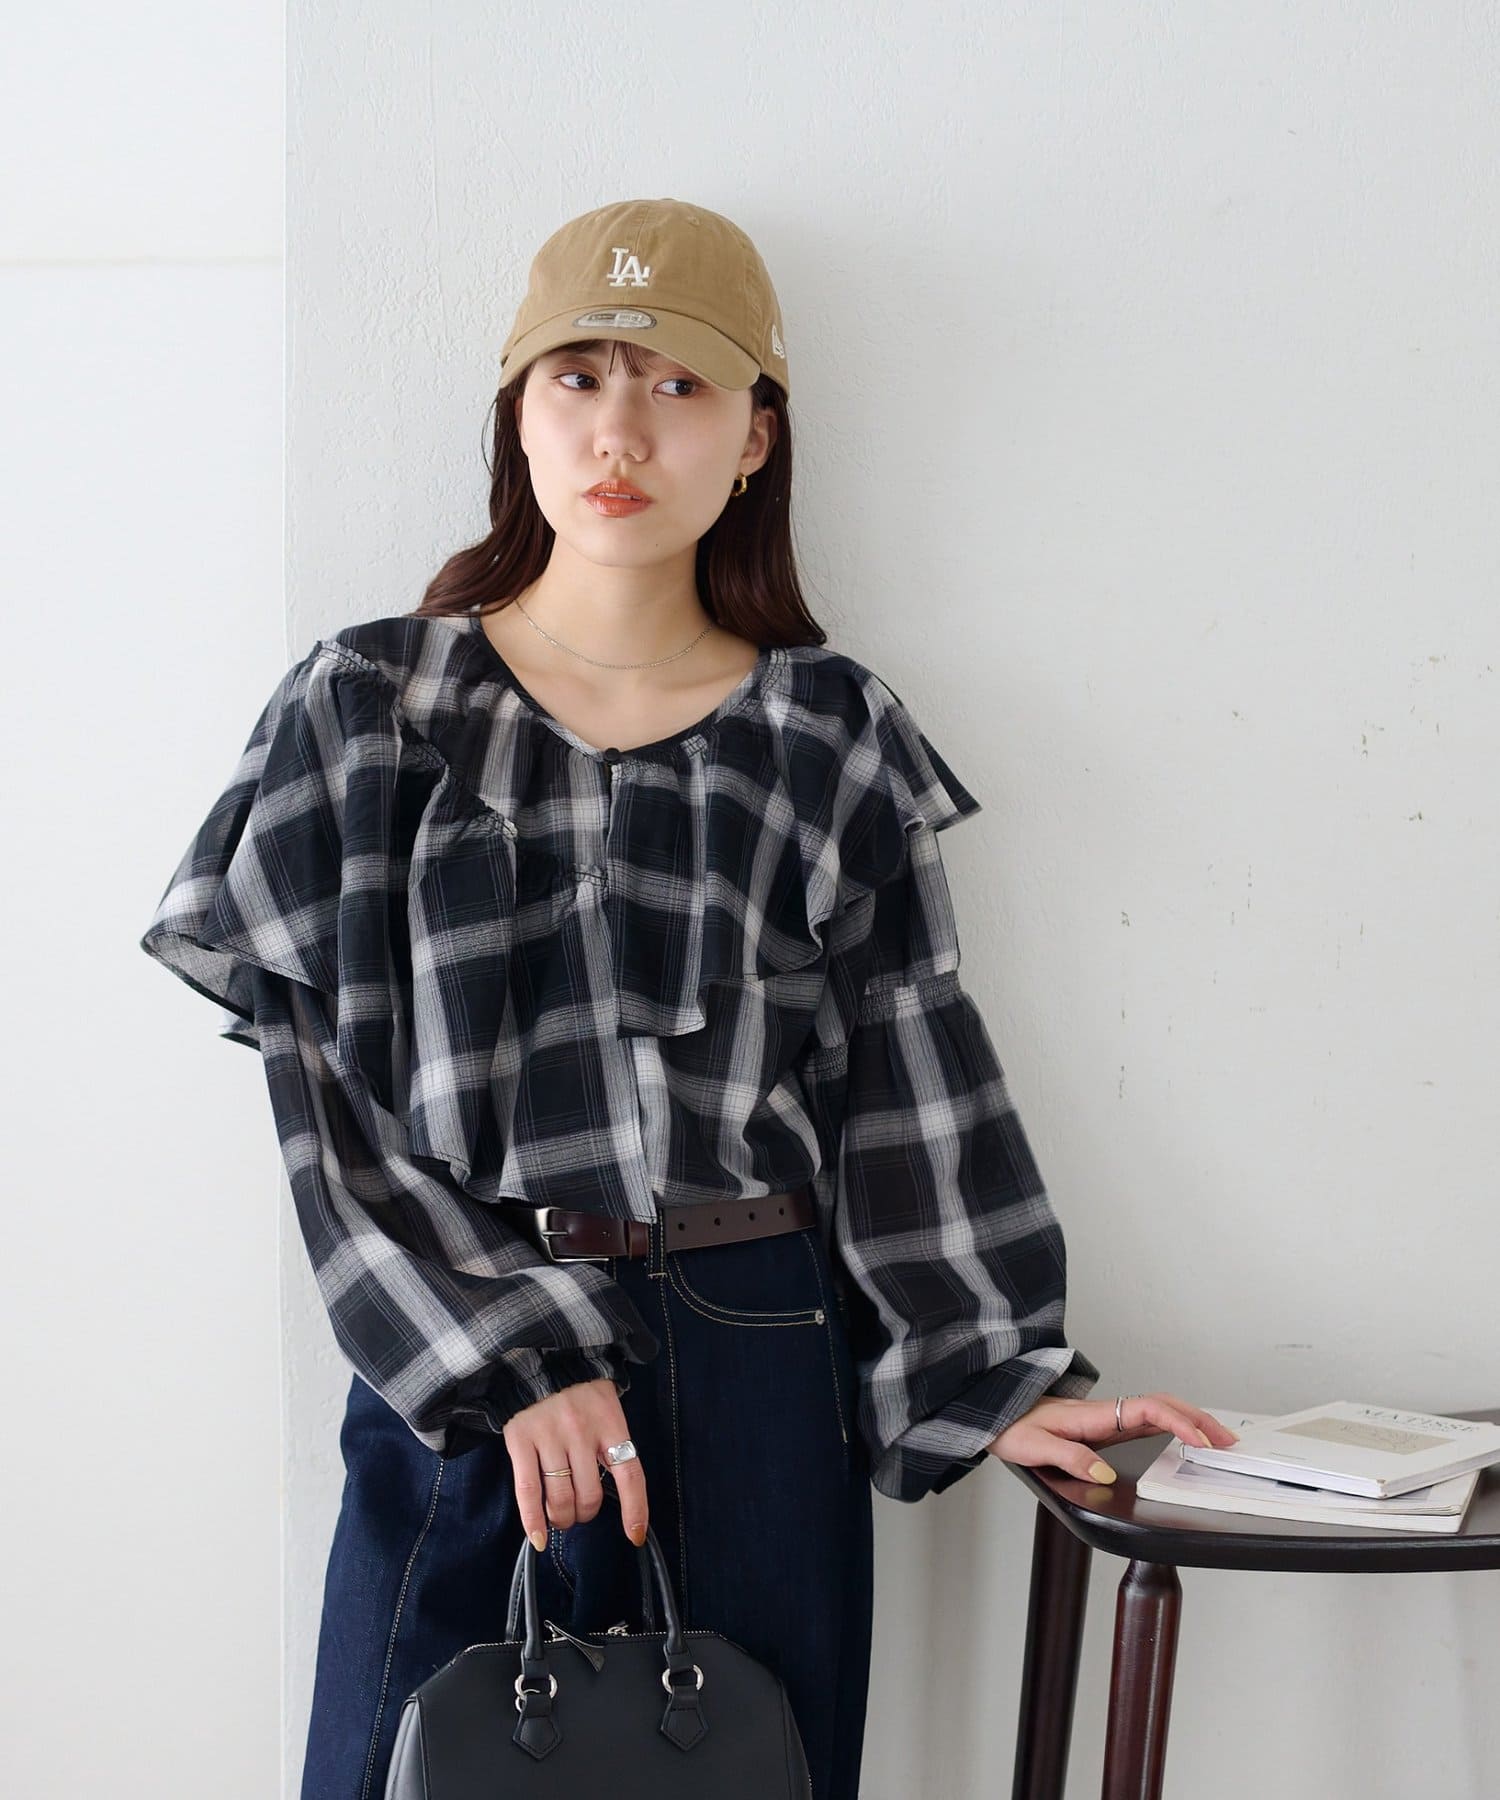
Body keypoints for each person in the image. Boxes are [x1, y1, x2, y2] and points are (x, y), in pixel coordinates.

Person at [139, 196, 1237, 1800]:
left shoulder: (826, 730)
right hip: (467, 1367)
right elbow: (330, 1106)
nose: (621, 431)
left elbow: (906, 1077)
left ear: (755, 437)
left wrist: (991, 1381)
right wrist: (515, 1358)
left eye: (677, 385)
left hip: (756, 1353)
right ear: (518, 414)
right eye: (578, 377)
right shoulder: (371, 706)